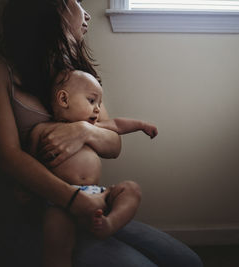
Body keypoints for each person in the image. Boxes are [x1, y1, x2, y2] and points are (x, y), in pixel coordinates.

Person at [0, 0, 203, 266]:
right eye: (78, 2)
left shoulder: (77, 78)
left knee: (187, 261)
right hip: (32, 215)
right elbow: (7, 156)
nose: (87, 15)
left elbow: (113, 144)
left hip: (86, 205)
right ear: (50, 7)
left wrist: (82, 130)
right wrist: (73, 200)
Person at [31, 69, 157, 267]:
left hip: (97, 194)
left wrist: (141, 125)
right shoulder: (43, 130)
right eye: (92, 101)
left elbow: (116, 124)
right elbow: (31, 165)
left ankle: (108, 224)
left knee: (131, 189)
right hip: (61, 200)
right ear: (64, 99)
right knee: (57, 243)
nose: (97, 109)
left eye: (98, 103)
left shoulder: (93, 128)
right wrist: (22, 192)